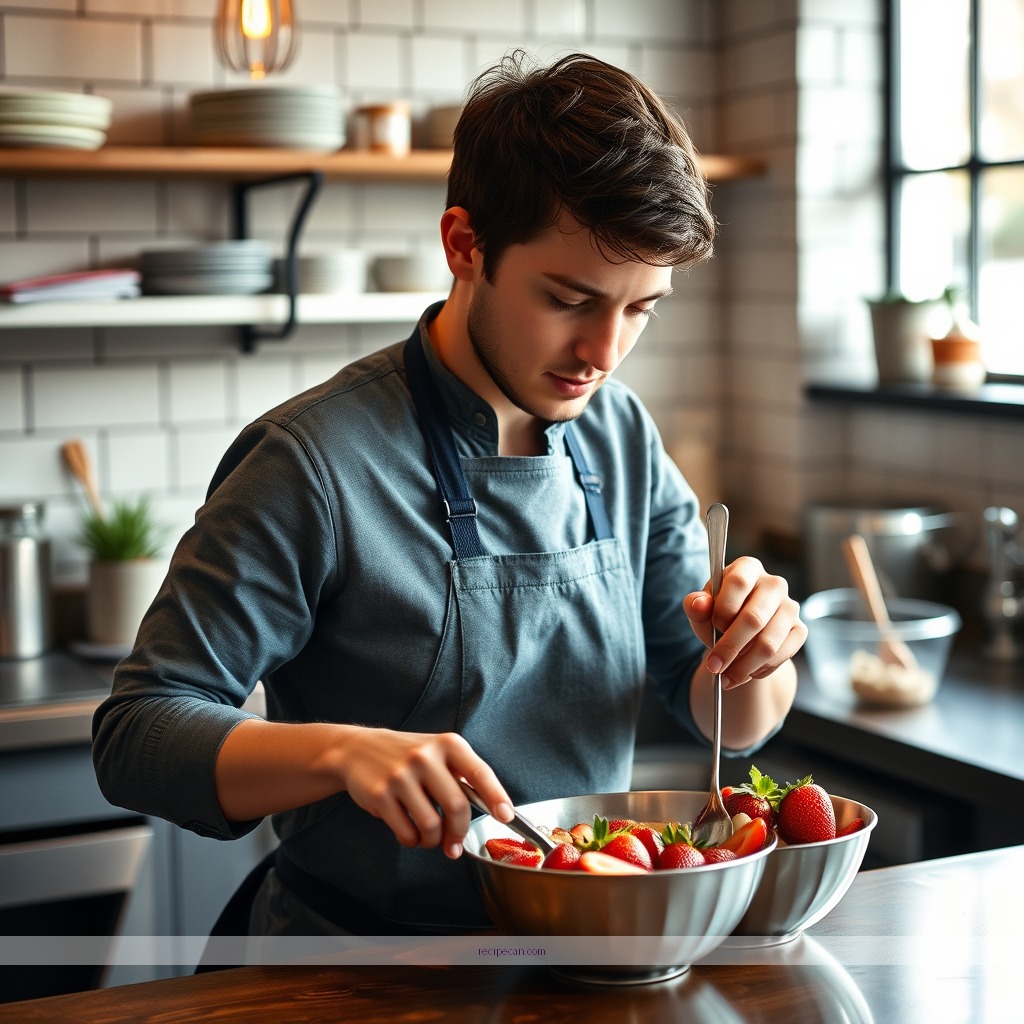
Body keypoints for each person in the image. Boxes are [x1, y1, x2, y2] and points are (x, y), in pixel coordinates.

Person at [92, 51, 804, 938]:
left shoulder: (620, 434)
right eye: (570, 298)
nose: (605, 351)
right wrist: (340, 753)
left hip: (589, 955)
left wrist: (755, 659)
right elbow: (136, 735)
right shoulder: (311, 460)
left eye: (640, 308)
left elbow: (723, 719)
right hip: (363, 968)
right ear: (464, 245)